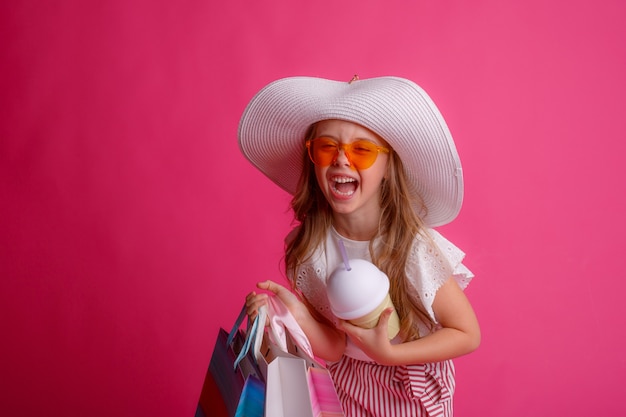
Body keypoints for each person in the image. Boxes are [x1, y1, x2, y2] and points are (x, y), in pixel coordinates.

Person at [240, 75, 480, 417]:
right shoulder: (310, 249)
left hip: (409, 383)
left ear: (387, 167)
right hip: (348, 384)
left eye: (362, 150)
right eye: (327, 147)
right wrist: (297, 313)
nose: (341, 159)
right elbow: (337, 346)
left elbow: (467, 334)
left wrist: (390, 355)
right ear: (313, 159)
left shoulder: (412, 247)